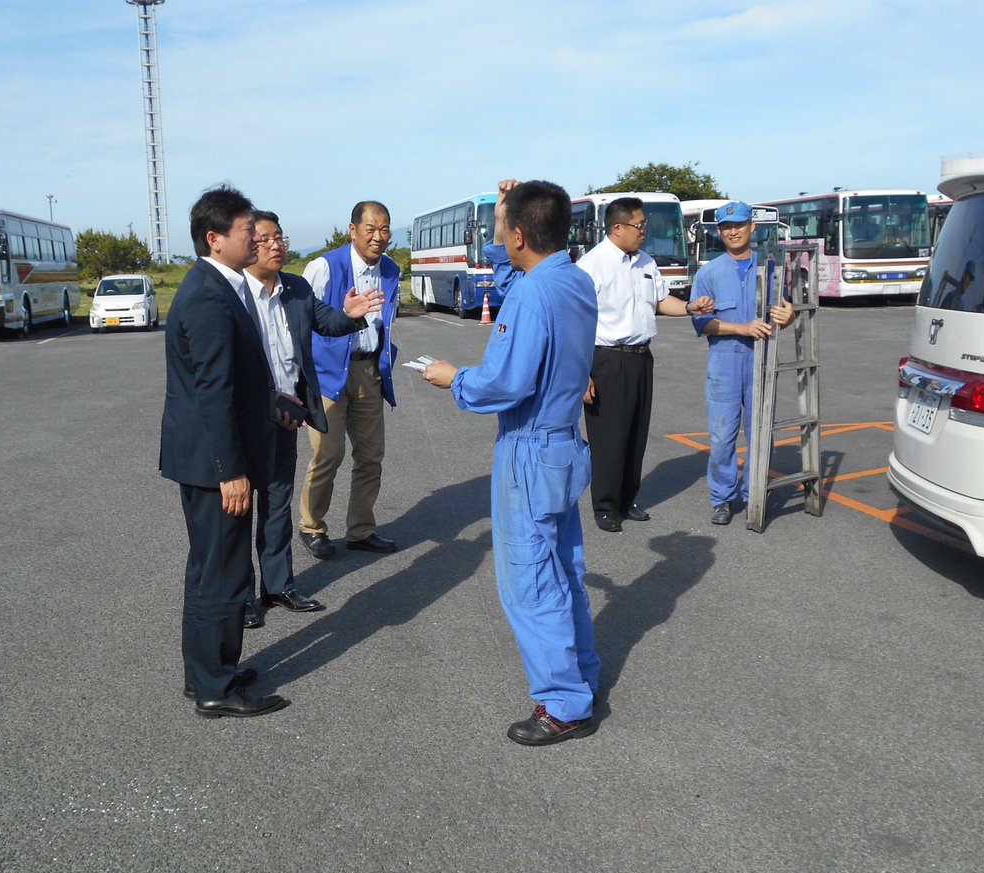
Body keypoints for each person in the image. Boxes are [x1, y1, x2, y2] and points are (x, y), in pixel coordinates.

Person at [422, 179, 601, 747]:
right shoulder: (573, 279)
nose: (501, 239)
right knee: (564, 571)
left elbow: (504, 383)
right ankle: (581, 679)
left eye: (504, 231)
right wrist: (505, 213)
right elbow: (516, 282)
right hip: (563, 442)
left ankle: (563, 704)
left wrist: (454, 378)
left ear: (519, 236)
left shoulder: (531, 295)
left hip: (528, 446)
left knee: (530, 581)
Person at [159, 184, 291, 719]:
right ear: (215, 239)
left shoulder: (217, 285)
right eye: (247, 231)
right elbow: (213, 391)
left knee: (208, 568)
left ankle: (205, 672)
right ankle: (216, 687)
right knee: (223, 572)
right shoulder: (210, 296)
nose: (257, 238)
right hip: (214, 464)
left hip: (206, 458)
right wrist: (230, 471)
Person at [241, 210, 384, 628]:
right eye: (265, 239)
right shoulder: (233, 293)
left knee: (277, 502)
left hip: (286, 414)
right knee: (239, 511)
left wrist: (351, 314)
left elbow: (326, 322)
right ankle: (240, 597)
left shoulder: (296, 288)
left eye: (279, 237)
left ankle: (277, 585)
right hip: (246, 415)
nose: (276, 245)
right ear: (247, 243)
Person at [575, 197, 711, 532]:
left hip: (640, 357)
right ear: (617, 228)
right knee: (609, 436)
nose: (644, 232)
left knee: (636, 433)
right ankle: (605, 505)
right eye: (639, 225)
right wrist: (581, 373)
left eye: (644, 225)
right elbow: (574, 322)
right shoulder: (591, 266)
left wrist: (689, 307)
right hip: (606, 359)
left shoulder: (646, 262)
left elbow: (661, 300)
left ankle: (627, 499)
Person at [297, 201, 401, 559]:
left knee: (371, 456)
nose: (378, 237)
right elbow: (299, 320)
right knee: (328, 454)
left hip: (369, 370)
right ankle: (311, 526)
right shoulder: (324, 267)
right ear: (353, 230)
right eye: (370, 229)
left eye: (384, 229)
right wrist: (298, 379)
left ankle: (361, 530)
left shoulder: (391, 269)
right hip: (327, 373)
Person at [689, 201, 795, 525]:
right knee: (723, 436)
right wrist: (742, 328)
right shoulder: (708, 273)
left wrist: (788, 317)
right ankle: (722, 498)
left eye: (739, 225)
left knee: (761, 433)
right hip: (725, 361)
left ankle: (755, 494)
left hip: (762, 359)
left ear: (752, 226)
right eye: (726, 227)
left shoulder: (772, 269)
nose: (733, 232)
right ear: (719, 232)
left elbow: (786, 309)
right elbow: (702, 323)